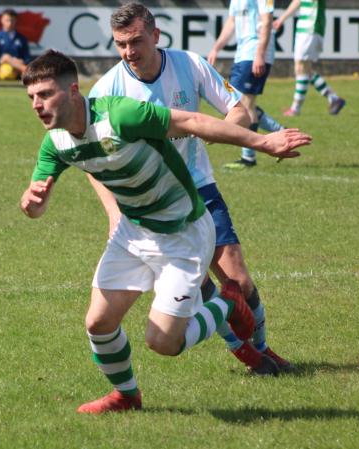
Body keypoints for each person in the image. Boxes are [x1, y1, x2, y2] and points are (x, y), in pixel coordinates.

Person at [19, 49, 310, 414]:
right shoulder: (55, 142)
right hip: (132, 232)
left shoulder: (121, 114)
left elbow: (190, 121)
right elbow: (37, 203)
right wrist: (32, 203)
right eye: (31, 97)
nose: (36, 104)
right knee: (98, 322)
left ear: (74, 91)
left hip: (183, 233)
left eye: (45, 94)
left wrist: (263, 142)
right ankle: (127, 396)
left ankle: (226, 303)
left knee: (164, 343)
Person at [88, 2, 295, 375]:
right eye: (121, 44)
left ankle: (265, 348)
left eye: (136, 41)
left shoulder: (189, 64)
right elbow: (92, 160)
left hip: (199, 188)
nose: (129, 52)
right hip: (151, 204)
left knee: (238, 279)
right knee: (197, 288)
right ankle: (250, 357)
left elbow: (239, 111)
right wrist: (113, 211)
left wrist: (216, 129)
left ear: (156, 35)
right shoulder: (107, 90)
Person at [208, 0, 275, 169]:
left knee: (244, 105)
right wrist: (216, 48)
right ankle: (280, 131)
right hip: (242, 54)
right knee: (239, 101)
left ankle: (248, 158)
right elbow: (231, 22)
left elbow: (267, 20)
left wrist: (260, 54)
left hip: (254, 53)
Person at [273, 0, 346, 116]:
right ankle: (334, 98)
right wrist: (281, 19)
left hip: (311, 27)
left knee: (301, 67)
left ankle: (295, 108)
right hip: (304, 26)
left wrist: (281, 19)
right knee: (305, 70)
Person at [0, 8, 30, 77]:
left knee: (8, 58)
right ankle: (25, 70)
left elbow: (27, 58)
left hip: (17, 71)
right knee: (6, 57)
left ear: (16, 21)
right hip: (0, 70)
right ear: (1, 20)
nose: (10, 23)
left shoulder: (22, 38)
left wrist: (16, 61)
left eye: (12, 20)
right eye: (7, 20)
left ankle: (23, 69)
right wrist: (3, 60)